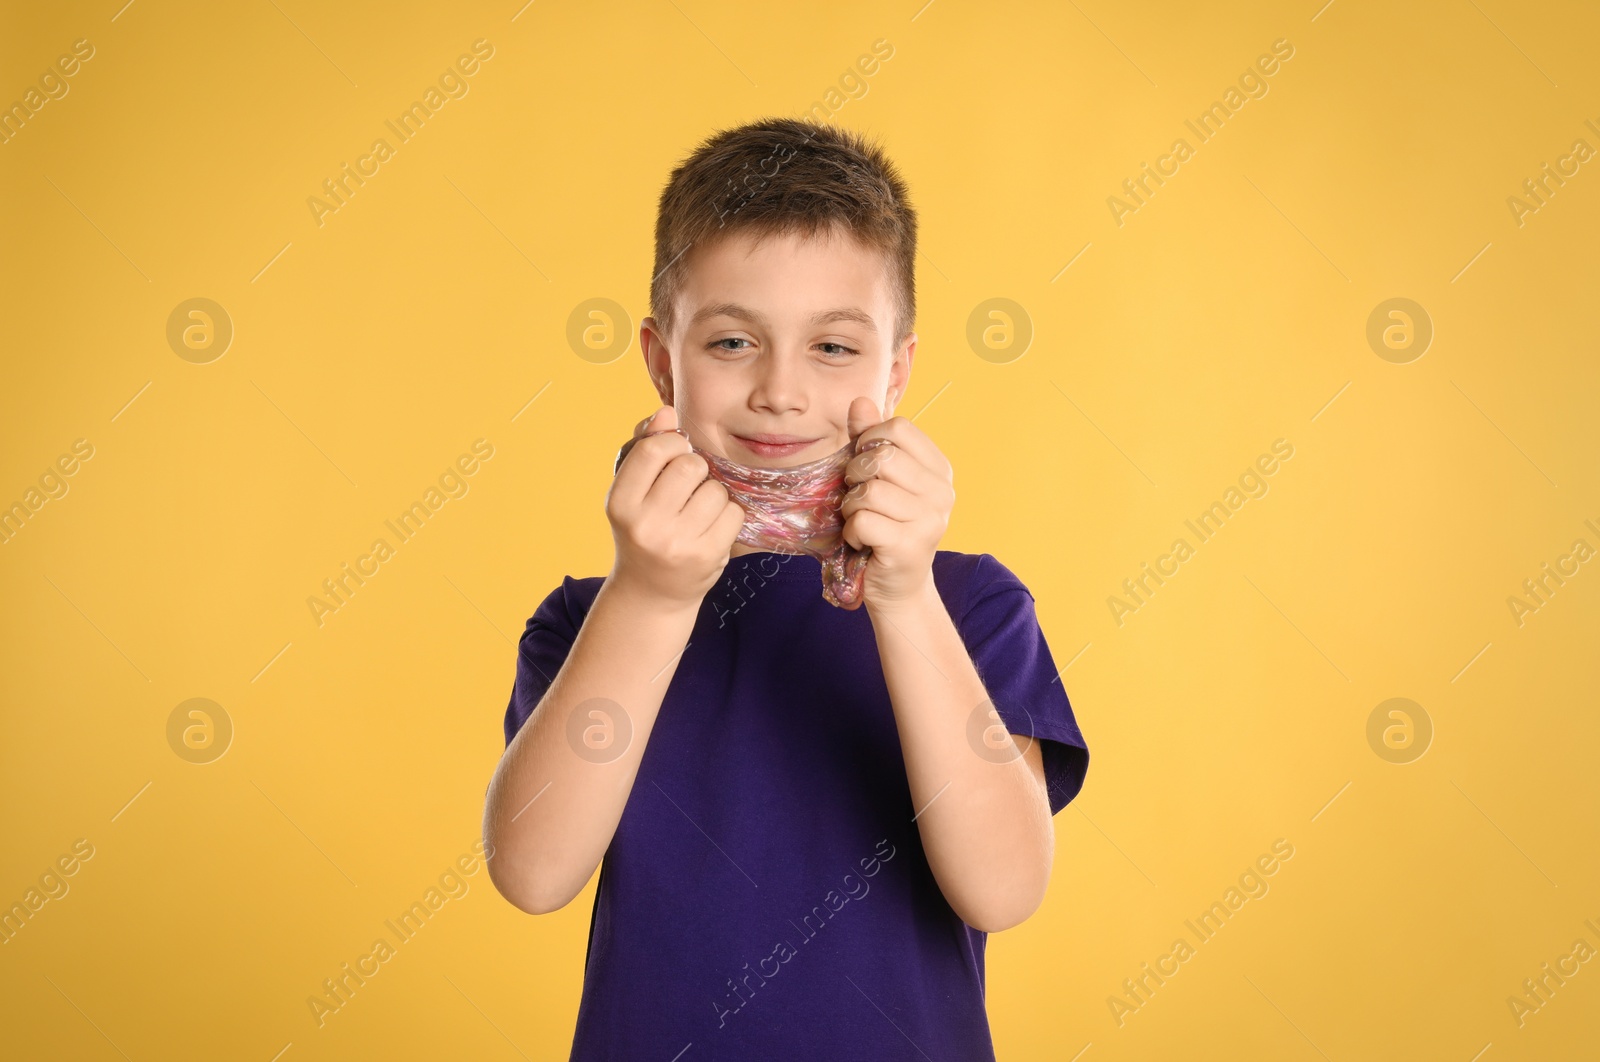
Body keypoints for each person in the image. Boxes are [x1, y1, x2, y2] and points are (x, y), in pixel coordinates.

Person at [482, 116, 1090, 1060]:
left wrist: (903, 597)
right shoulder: (586, 618)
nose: (779, 390)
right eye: (731, 342)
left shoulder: (970, 606)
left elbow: (1005, 890)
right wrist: (649, 597)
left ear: (896, 373)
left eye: (834, 349)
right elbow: (531, 873)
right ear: (659, 363)